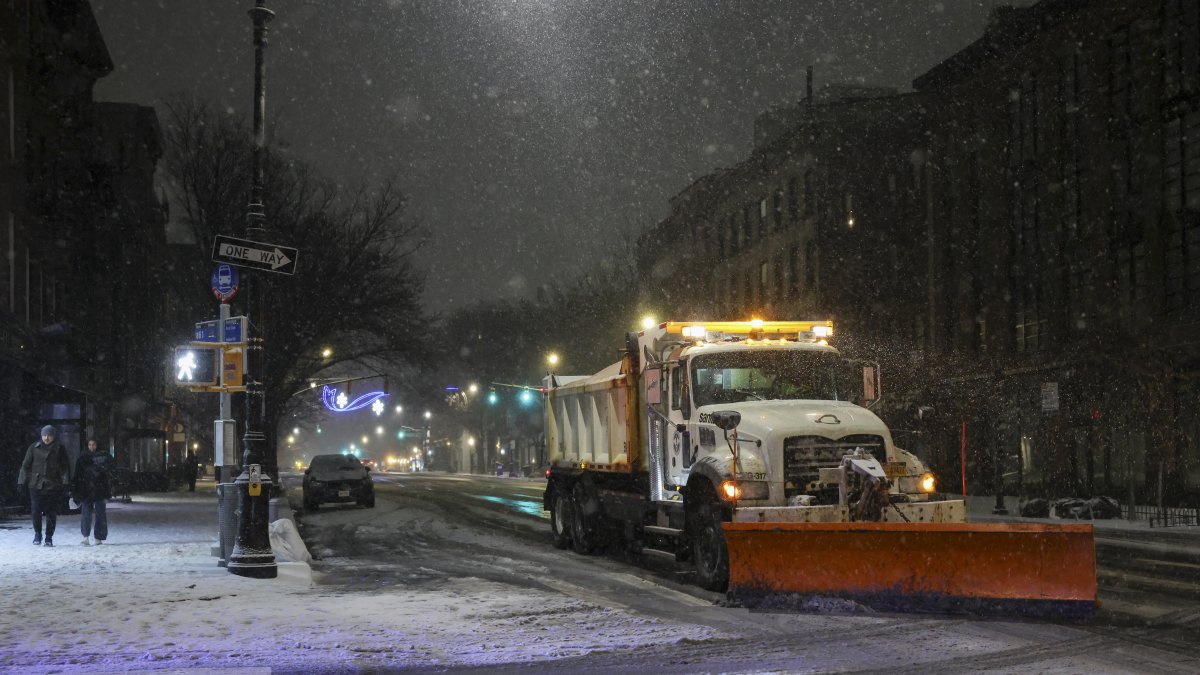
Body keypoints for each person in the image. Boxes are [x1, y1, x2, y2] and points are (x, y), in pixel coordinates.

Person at [17, 425, 71, 547]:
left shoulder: (59, 448)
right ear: (41, 435)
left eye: (49, 435)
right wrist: (21, 482)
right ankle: (37, 534)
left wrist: (66, 483)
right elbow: (25, 466)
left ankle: (48, 537)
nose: (46, 438)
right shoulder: (33, 448)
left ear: (53, 436)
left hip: (53, 484)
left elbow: (65, 467)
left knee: (51, 512)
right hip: (36, 484)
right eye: (44, 435)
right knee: (36, 511)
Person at [73, 438, 112, 545]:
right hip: (88, 489)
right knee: (87, 513)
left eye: (93, 444)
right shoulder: (85, 457)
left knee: (98, 513)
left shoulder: (101, 457)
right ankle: (87, 536)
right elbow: (78, 475)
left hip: (97, 489)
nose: (92, 447)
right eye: (90, 444)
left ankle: (96, 537)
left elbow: (109, 474)